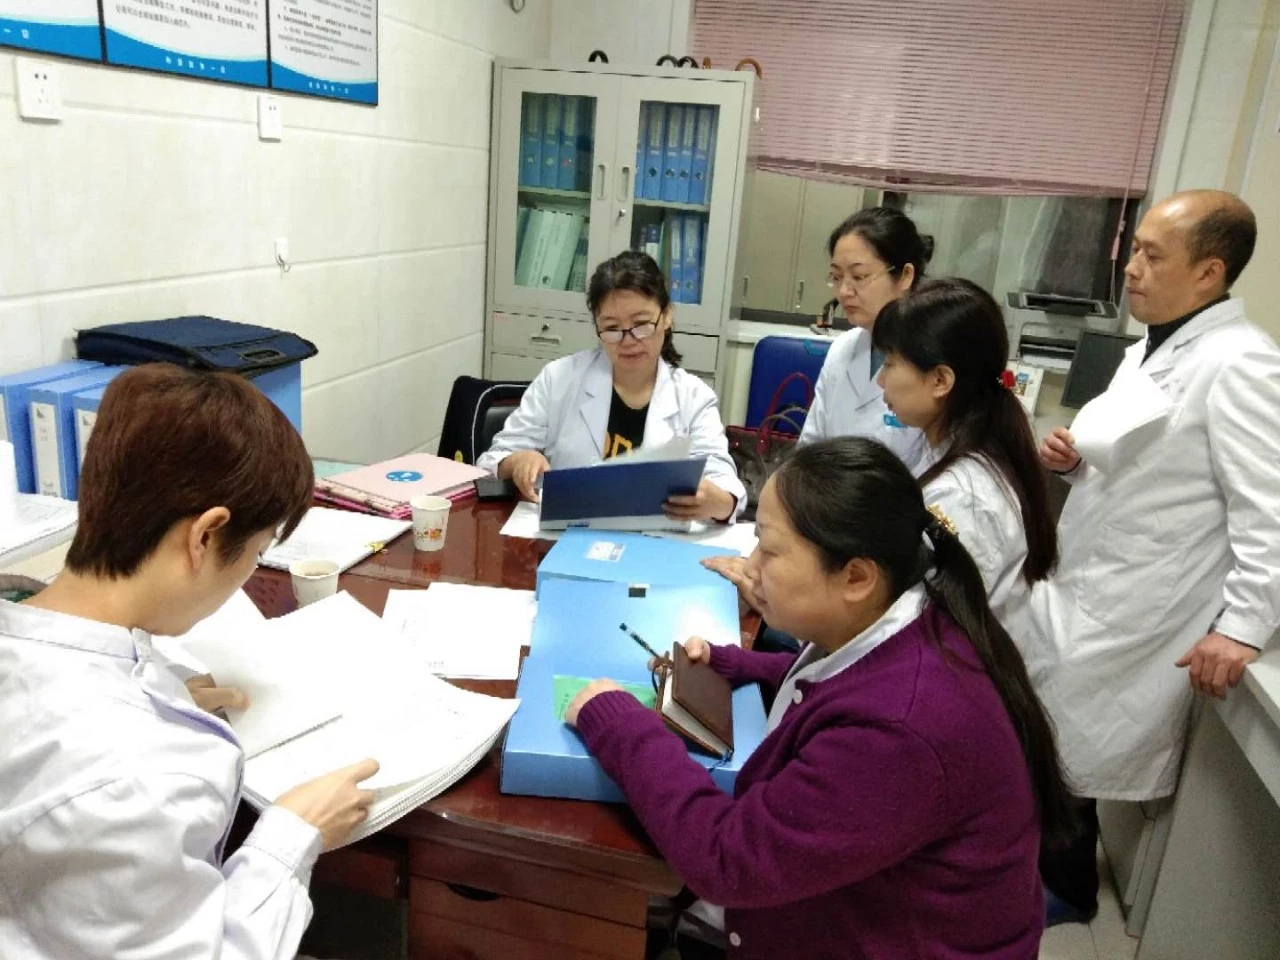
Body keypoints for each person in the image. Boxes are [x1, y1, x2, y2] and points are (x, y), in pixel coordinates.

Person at [564, 438, 1073, 960]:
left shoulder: (899, 730)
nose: (751, 566)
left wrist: (619, 723)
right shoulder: (911, 616)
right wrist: (740, 664)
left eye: (770, 549)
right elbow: (847, 679)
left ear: (856, 577)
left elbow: (727, 859)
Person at [0, 364, 380, 959]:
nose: (250, 571)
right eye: (257, 551)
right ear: (204, 537)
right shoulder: (139, 779)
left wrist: (159, 689)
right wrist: (291, 837)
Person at [1026, 190, 1280, 924]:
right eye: (1134, 249)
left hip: (1149, 594)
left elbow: (1268, 509)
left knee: (1076, 739)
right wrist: (1076, 460)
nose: (1131, 268)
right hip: (1099, 573)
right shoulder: (1151, 346)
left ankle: (1067, 889)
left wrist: (1243, 627)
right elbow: (1146, 458)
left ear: (1209, 271)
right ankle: (1044, 869)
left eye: (1152, 256)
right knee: (1056, 728)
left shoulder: (1244, 364)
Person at [477, 250, 745, 523]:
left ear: (666, 317)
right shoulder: (559, 379)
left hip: (656, 539)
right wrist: (518, 461)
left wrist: (717, 501)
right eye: (612, 328)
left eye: (641, 324)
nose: (628, 340)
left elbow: (725, 486)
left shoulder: (694, 397)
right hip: (568, 532)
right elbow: (493, 461)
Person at [872, 277, 1058, 632]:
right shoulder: (950, 444)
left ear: (940, 381)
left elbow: (927, 628)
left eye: (890, 363)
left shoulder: (964, 498)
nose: (881, 380)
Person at [797, 206, 933, 473]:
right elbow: (809, 449)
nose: (844, 291)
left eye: (859, 277)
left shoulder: (932, 358)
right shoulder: (843, 349)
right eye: (837, 277)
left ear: (905, 275)